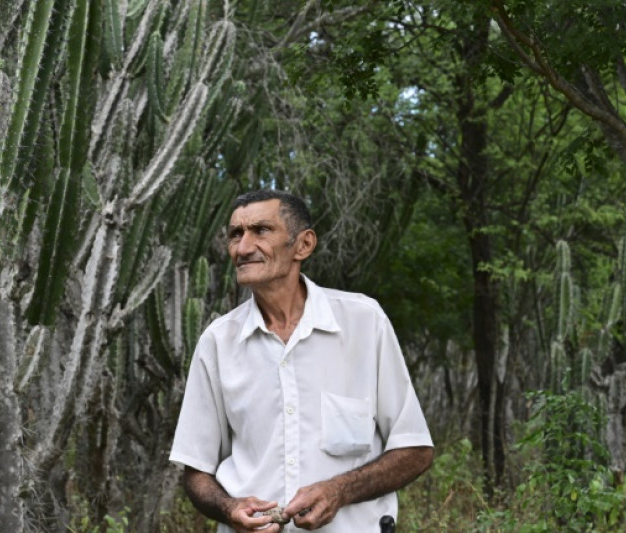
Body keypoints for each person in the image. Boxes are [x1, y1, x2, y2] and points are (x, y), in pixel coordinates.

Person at [169, 189, 433, 532]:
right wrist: (230, 507)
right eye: (236, 234)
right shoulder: (218, 342)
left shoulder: (364, 323)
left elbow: (415, 450)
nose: (243, 248)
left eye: (261, 231)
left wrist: (340, 490)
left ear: (303, 245)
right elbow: (196, 471)